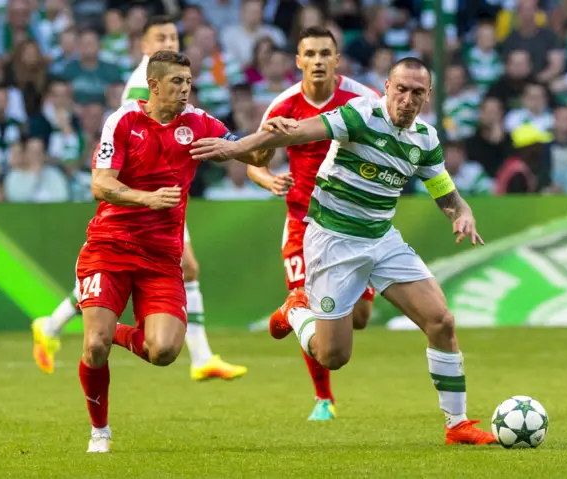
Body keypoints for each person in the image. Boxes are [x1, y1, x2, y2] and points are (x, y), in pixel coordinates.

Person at [191, 57, 498, 445]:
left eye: (417, 92)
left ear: (428, 96)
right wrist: (232, 148)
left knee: (442, 322)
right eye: (400, 89)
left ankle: (457, 425)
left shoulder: (425, 139)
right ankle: (295, 310)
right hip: (333, 242)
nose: (407, 99)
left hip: (382, 239)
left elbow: (447, 195)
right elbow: (293, 133)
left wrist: (463, 214)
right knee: (332, 356)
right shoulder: (359, 116)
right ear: (386, 87)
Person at [31, 16, 247, 381]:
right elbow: (142, 133)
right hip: (143, 193)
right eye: (161, 37)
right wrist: (148, 195)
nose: (171, 41)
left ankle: (54, 324)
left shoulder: (180, 88)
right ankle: (200, 355)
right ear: (145, 49)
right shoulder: (141, 89)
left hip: (164, 196)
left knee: (174, 270)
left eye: (174, 36)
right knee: (183, 266)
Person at [78, 51, 263, 453]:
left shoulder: (198, 123)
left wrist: (264, 140)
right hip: (110, 246)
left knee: (163, 352)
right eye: (176, 82)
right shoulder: (124, 120)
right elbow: (100, 184)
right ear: (155, 85)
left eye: (188, 82)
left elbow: (253, 153)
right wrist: (147, 199)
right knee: (95, 346)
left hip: (161, 258)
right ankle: (100, 431)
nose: (184, 89)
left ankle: (109, 330)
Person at [247, 26, 380, 421]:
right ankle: (323, 398)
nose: (319, 60)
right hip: (302, 223)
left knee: (358, 318)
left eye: (326, 53)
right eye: (311, 53)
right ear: (298, 61)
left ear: (338, 60)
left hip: (352, 223)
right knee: (319, 313)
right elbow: (255, 160)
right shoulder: (284, 106)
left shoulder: (363, 99)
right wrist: (268, 179)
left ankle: (291, 311)